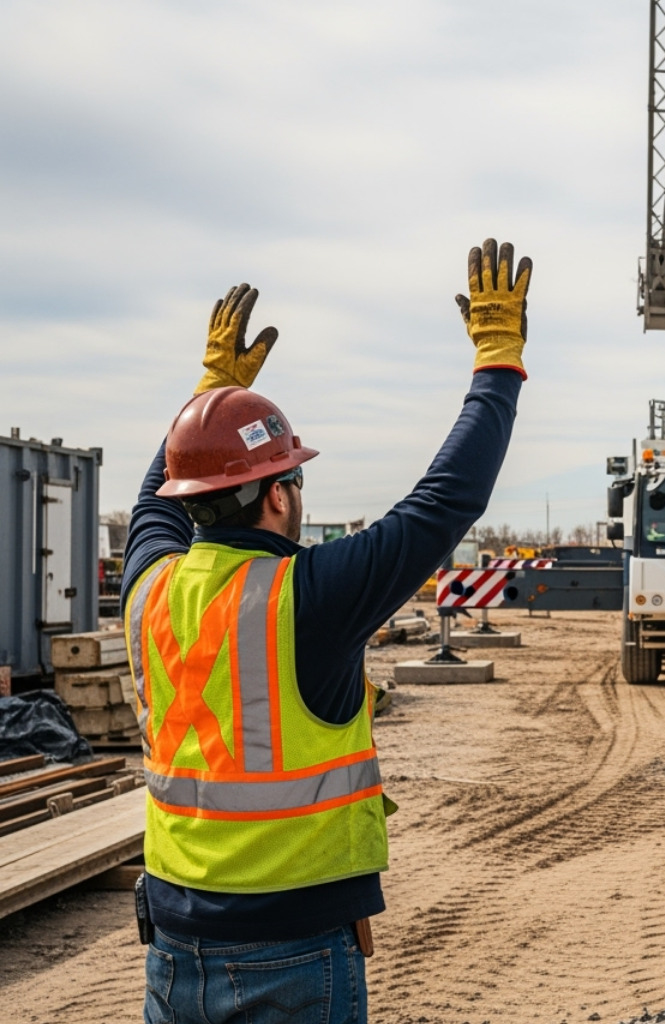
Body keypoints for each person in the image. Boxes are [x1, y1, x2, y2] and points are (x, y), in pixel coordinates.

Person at [122, 238, 532, 1024]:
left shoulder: (147, 588)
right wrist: (498, 363)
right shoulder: (307, 596)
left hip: (172, 945)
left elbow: (155, 502)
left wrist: (211, 395)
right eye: (296, 476)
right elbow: (445, 502)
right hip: (291, 953)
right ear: (277, 496)